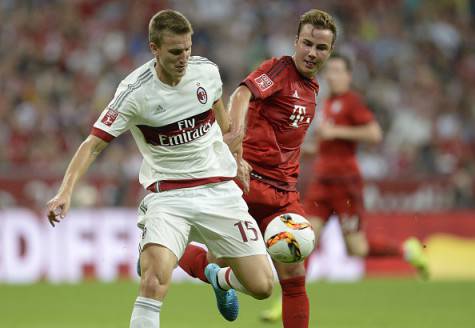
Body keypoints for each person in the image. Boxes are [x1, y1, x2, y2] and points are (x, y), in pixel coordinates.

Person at [46, 9, 275, 328]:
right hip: (168, 196)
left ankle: (218, 279)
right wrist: (65, 192)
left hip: (218, 190)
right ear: (154, 48)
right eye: (175, 51)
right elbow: (93, 144)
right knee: (154, 281)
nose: (184, 57)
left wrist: (237, 158)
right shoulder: (134, 93)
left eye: (188, 49)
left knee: (263, 286)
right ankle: (157, 249)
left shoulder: (206, 72)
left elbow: (223, 120)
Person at [177, 9, 337, 328]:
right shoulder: (280, 69)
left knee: (293, 277)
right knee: (221, 260)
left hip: (284, 195)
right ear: (296, 42)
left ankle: (218, 279)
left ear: (329, 52)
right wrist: (235, 150)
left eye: (321, 48)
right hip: (247, 184)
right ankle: (161, 250)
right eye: (307, 43)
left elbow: (284, 139)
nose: (312, 52)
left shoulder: (313, 88)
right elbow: (241, 94)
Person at [260, 53, 430, 322]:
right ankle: (286, 299)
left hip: (346, 185)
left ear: (348, 76)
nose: (332, 75)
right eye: (331, 71)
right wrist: (297, 148)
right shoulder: (327, 103)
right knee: (304, 240)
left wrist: (337, 133)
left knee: (357, 249)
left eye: (338, 71)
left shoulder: (351, 102)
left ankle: (407, 250)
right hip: (321, 184)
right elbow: (325, 145)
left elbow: (374, 133)